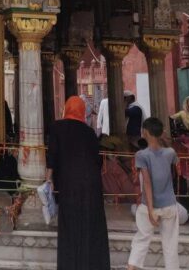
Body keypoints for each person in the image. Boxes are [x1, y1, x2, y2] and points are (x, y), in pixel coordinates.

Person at [46, 96, 110, 270]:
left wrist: (48, 179)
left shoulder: (57, 127)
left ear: (67, 109)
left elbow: (52, 156)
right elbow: (97, 161)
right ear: (82, 111)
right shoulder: (89, 132)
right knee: (90, 226)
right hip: (92, 186)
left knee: (70, 227)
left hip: (70, 184)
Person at [127, 117, 180, 270]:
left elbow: (147, 184)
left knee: (142, 240)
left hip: (149, 205)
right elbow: (175, 164)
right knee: (170, 244)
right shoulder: (170, 152)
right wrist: (163, 139)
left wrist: (150, 210)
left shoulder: (142, 155)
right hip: (169, 205)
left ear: (145, 132)